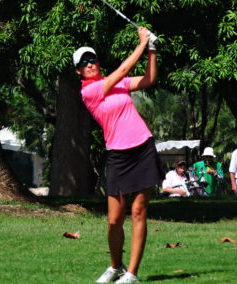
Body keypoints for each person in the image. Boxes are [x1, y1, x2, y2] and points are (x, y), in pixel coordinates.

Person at [73, 27, 161, 283]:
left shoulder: (118, 84)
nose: (90, 64)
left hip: (142, 147)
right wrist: (142, 43)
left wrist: (152, 50)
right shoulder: (89, 91)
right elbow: (122, 71)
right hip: (118, 156)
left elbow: (148, 80)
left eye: (92, 59)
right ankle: (116, 266)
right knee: (114, 220)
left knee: (139, 211)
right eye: (83, 63)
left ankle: (132, 273)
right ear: (78, 70)